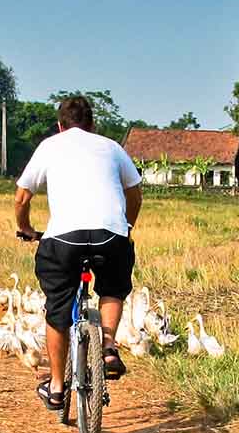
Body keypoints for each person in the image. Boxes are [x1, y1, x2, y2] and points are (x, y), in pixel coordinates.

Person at [14, 95, 143, 411]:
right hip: (110, 235)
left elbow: (21, 198)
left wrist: (26, 229)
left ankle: (57, 388)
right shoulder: (112, 147)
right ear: (93, 124)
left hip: (63, 240)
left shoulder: (49, 146)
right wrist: (125, 227)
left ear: (60, 126)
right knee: (113, 287)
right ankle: (109, 346)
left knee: (58, 308)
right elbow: (135, 193)